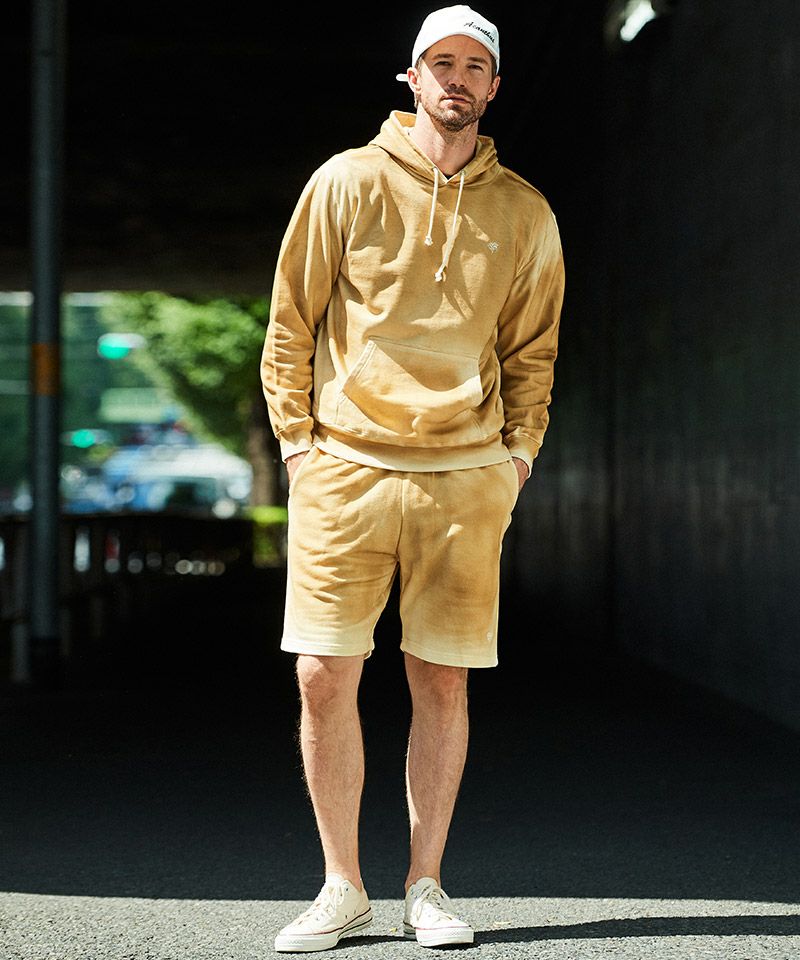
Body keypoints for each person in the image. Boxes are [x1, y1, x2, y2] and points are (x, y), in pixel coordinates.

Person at [261, 4, 564, 952]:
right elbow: (290, 324)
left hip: (465, 476)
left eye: (475, 66)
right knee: (322, 676)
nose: (456, 79)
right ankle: (341, 885)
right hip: (345, 466)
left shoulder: (525, 211)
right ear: (412, 76)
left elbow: (533, 349)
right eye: (441, 63)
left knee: (441, 681)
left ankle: (425, 885)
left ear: (494, 87)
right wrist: (299, 449)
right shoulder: (345, 181)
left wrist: (517, 458)